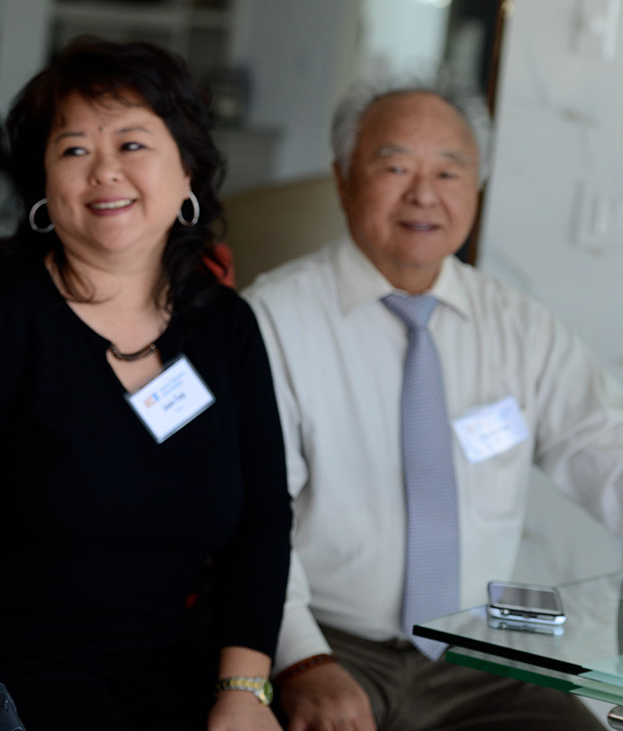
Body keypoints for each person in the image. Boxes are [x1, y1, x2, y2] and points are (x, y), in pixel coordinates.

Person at [0, 37, 292, 731]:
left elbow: (261, 519)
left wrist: (245, 688)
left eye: (132, 144)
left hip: (170, 667)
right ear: (43, 183)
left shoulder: (224, 326)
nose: (105, 171)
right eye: (74, 149)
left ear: (188, 169)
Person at [243, 76, 623, 731]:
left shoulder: (520, 327)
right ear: (342, 179)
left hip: (477, 653)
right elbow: (251, 517)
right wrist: (303, 659)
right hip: (329, 644)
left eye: (449, 171)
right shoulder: (271, 319)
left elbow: (603, 446)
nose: (424, 194)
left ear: (476, 188)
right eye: (395, 167)